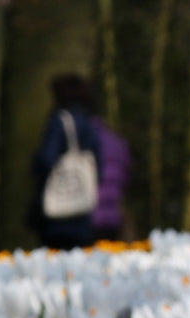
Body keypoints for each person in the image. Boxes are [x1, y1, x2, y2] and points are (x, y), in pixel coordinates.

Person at [30, 73, 102, 251]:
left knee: (57, 258)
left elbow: (46, 158)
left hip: (58, 213)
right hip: (82, 208)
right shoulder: (89, 122)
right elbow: (98, 163)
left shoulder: (58, 121)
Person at [90, 115, 132, 242]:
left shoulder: (83, 141)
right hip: (114, 215)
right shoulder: (118, 142)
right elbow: (127, 176)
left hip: (88, 214)